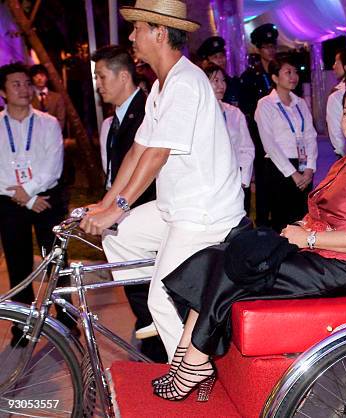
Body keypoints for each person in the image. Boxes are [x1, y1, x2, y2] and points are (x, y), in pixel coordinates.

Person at [151, 77, 346, 402]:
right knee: (217, 254)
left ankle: (195, 360)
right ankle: (188, 358)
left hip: (344, 268)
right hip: (317, 253)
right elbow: (324, 213)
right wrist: (299, 228)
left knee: (236, 267)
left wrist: (309, 238)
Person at [79, 0, 246, 360]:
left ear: (159, 32)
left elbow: (158, 155)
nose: (131, 35)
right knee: (120, 235)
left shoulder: (186, 82)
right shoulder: (160, 86)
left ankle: (189, 371)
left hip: (205, 212)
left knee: (161, 295)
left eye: (136, 28)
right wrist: (107, 204)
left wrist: (119, 206)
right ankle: (179, 306)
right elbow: (138, 149)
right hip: (177, 207)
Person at [92, 45, 165, 362]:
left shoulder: (146, 110)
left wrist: (116, 208)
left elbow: (147, 165)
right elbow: (117, 171)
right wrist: (103, 205)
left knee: (150, 286)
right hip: (122, 211)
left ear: (123, 76)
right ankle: (151, 333)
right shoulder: (113, 122)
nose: (98, 84)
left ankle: (159, 344)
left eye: (102, 76)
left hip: (146, 211)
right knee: (138, 287)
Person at [0, 62, 76, 346]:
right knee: (18, 264)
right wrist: (24, 197)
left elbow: (52, 166)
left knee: (56, 260)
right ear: (3, 92)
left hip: (47, 200)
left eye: (26, 83)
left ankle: (67, 321)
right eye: (15, 84)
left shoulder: (47, 122)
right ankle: (23, 327)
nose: (24, 89)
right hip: (9, 202)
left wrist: (29, 194)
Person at [254, 56, 318, 231]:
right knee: (282, 221)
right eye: (287, 72)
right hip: (279, 168)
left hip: (303, 166)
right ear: (275, 78)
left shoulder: (301, 103)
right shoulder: (265, 105)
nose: (293, 76)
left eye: (295, 72)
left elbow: (310, 136)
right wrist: (293, 174)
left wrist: (309, 168)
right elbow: (269, 144)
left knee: (303, 219)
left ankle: (302, 256)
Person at [239, 23, 279, 227]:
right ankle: (263, 222)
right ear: (258, 48)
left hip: (279, 134)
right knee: (262, 177)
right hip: (258, 135)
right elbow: (246, 109)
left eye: (273, 46)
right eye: (266, 47)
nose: (270, 50)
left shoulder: (281, 71)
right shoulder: (250, 77)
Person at [203, 63, 255, 213]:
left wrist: (243, 180)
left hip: (235, 181)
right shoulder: (197, 114)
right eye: (215, 80)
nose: (221, 85)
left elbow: (246, 148)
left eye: (223, 80)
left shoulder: (234, 113)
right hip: (210, 185)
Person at [196, 36, 239, 106]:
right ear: (205, 62)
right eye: (215, 57)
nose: (220, 60)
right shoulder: (201, 86)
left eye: (222, 56)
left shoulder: (234, 83)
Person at [29, 64, 66, 131]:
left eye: (42, 75)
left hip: (53, 134)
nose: (39, 79)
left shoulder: (57, 98)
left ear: (47, 77)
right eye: (36, 76)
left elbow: (61, 120)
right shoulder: (28, 97)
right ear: (32, 78)